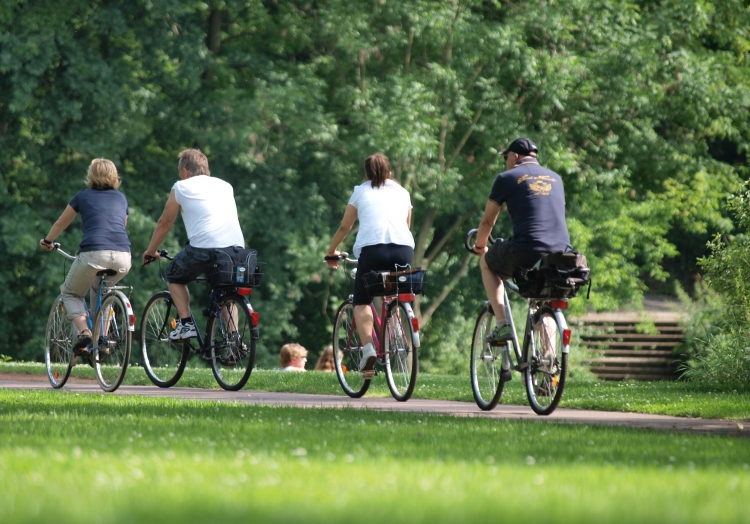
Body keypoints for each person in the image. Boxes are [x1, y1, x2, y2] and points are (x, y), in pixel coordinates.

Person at [471, 137, 572, 344]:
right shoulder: (556, 178)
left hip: (527, 249)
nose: (505, 162)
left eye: (506, 157)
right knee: (543, 302)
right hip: (563, 253)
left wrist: (480, 246)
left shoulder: (507, 177)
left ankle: (502, 325)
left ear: (515, 156)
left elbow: (488, 220)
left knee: (487, 263)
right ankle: (549, 362)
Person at [325, 153, 415, 376]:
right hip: (404, 249)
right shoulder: (403, 193)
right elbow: (406, 226)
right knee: (392, 290)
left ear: (366, 174)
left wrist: (331, 252)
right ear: (390, 173)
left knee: (362, 300)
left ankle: (368, 351)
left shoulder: (360, 191)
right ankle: (395, 323)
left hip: (373, 250)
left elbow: (345, 227)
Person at [142, 148, 245, 340]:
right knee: (225, 290)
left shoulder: (181, 187)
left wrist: (151, 250)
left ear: (186, 170)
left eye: (179, 171)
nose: (179, 176)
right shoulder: (226, 186)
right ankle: (234, 341)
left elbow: (165, 223)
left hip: (205, 248)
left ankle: (186, 324)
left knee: (174, 274)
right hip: (236, 250)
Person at [40, 158, 132, 358]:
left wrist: (48, 240)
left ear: (91, 175)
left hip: (93, 254)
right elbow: (121, 226)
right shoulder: (121, 198)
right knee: (104, 292)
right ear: (114, 176)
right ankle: (102, 341)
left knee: (70, 293)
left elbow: (61, 222)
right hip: (123, 256)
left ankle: (85, 332)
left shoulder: (82, 196)